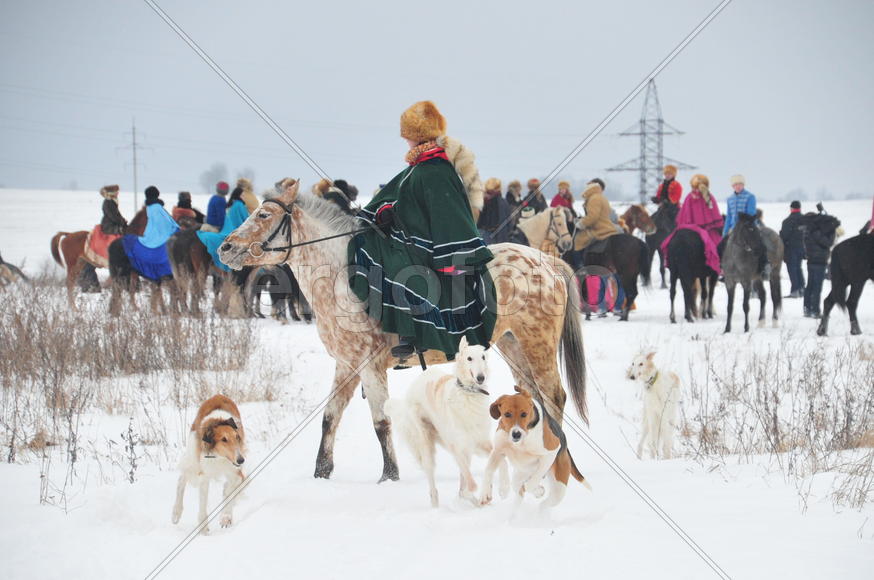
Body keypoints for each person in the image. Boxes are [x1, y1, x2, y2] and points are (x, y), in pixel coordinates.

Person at [348, 100, 495, 361]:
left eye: (408, 137)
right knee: (369, 244)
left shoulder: (435, 170)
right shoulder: (419, 166)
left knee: (399, 267)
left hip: (431, 244)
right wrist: (385, 211)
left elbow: (445, 214)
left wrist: (398, 213)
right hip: (412, 236)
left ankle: (411, 334)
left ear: (418, 136)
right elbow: (399, 198)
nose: (406, 142)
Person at [660, 174, 723, 275]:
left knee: (717, 245)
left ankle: (719, 267)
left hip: (697, 227)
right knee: (716, 244)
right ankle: (720, 267)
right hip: (698, 228)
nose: (696, 190)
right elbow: (713, 215)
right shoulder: (692, 197)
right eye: (695, 187)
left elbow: (684, 216)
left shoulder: (706, 198)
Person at [121, 186, 179, 281]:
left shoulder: (149, 208)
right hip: (159, 237)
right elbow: (165, 224)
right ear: (157, 195)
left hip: (150, 235)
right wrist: (175, 230)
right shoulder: (157, 208)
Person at [720, 174, 770, 279]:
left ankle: (764, 267)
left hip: (749, 227)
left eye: (740, 184)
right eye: (736, 184)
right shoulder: (730, 199)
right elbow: (729, 216)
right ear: (732, 186)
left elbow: (751, 213)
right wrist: (725, 232)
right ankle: (724, 271)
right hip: (734, 228)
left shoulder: (750, 197)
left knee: (759, 244)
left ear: (743, 185)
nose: (738, 186)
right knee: (721, 247)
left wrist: (742, 224)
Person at [197, 186, 251, 272]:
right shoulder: (239, 205)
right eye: (243, 194)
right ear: (239, 195)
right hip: (235, 229)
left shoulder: (231, 204)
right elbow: (246, 220)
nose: (245, 196)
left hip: (225, 227)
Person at [801, 205, 841, 318]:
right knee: (817, 287)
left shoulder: (806, 231)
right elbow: (828, 243)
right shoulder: (816, 232)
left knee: (810, 285)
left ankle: (807, 308)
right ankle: (815, 311)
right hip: (820, 261)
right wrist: (832, 232)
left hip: (811, 261)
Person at [779, 200, 806, 297]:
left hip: (790, 249)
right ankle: (802, 288)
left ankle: (795, 290)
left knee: (792, 269)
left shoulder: (787, 221)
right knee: (798, 268)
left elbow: (784, 236)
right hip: (802, 248)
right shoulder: (805, 220)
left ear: (791, 208)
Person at [477, 177, 512, 244]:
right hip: (487, 236)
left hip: (494, 240)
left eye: (489, 192)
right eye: (486, 192)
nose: (486, 195)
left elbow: (503, 228)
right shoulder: (487, 202)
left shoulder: (499, 203)